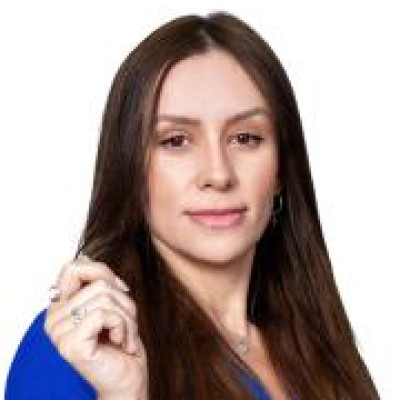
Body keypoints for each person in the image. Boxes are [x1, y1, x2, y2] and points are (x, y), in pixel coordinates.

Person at [5, 10, 380, 400]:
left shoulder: (321, 349)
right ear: (130, 168)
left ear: (282, 168)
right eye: (176, 141)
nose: (218, 174)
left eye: (246, 138)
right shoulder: (81, 345)